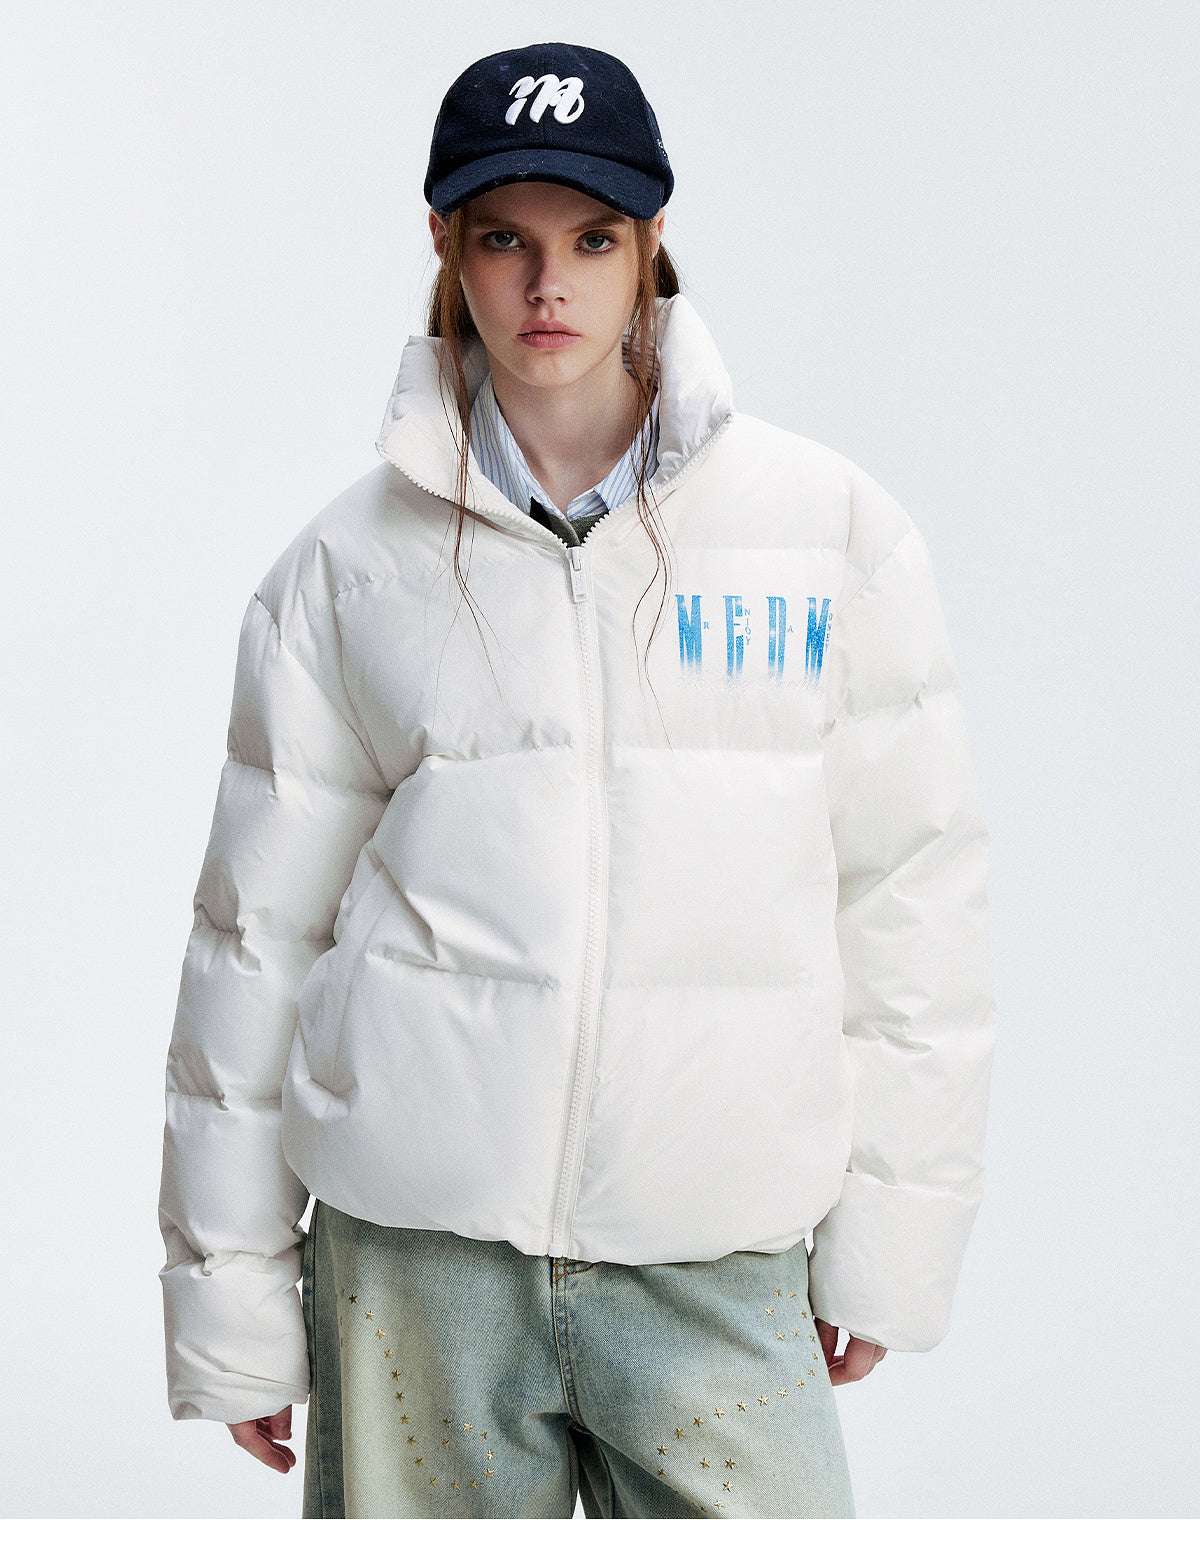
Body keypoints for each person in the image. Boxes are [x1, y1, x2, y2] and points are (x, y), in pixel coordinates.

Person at [157, 41, 996, 1520]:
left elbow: (909, 903)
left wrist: (892, 1241)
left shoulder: (826, 534)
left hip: (715, 1249)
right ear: (445, 245)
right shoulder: (346, 570)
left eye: (593, 240)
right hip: (414, 1267)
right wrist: (230, 1294)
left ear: (652, 244)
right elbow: (255, 943)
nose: (550, 286)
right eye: (506, 241)